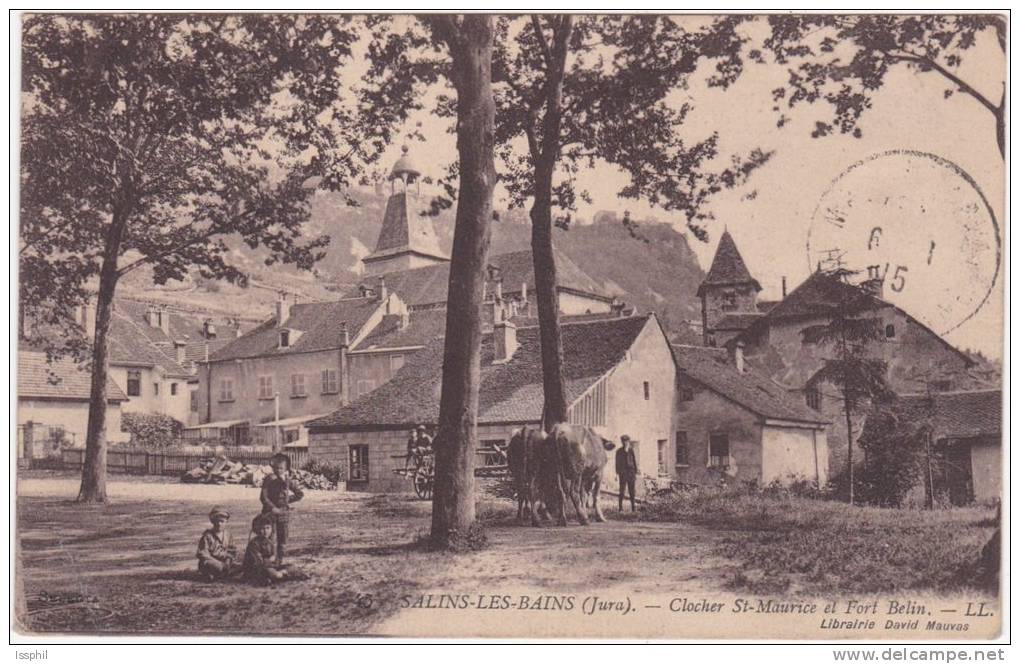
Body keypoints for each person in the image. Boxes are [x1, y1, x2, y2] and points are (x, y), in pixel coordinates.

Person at [259, 452, 304, 566]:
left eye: (281, 468)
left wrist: (286, 501)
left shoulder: (288, 481)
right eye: (276, 468)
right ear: (273, 468)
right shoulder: (269, 479)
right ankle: (269, 560)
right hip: (270, 513)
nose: (278, 470)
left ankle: (280, 560)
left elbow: (299, 494)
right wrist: (273, 508)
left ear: (286, 469)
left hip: (283, 514)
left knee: (283, 539)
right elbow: (263, 497)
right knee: (270, 538)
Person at [196, 506, 238, 581]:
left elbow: (232, 550)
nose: (219, 524)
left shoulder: (228, 535)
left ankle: (222, 574)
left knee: (241, 566)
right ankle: (214, 574)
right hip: (211, 562)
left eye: (222, 521)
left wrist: (228, 560)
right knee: (210, 565)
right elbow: (202, 554)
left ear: (226, 522)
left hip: (225, 561)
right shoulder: (207, 536)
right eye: (217, 521)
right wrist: (218, 563)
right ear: (212, 521)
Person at [243, 514, 287, 586]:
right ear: (257, 529)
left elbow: (276, 559)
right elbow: (258, 562)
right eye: (262, 528)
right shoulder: (254, 543)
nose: (266, 531)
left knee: (291, 567)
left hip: (270, 566)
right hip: (256, 569)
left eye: (268, 528)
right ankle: (277, 576)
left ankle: (279, 574)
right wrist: (270, 560)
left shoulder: (270, 542)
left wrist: (275, 561)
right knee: (270, 572)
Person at [615, 434, 638, 512]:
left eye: (626, 441)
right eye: (623, 441)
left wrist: (635, 472)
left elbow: (634, 461)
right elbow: (617, 463)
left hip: (631, 473)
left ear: (628, 441)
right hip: (623, 473)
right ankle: (620, 508)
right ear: (622, 442)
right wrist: (618, 473)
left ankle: (633, 508)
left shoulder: (631, 450)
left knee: (632, 491)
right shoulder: (619, 451)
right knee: (622, 491)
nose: (625, 443)